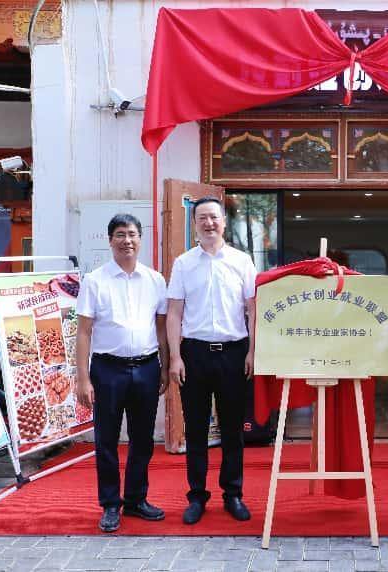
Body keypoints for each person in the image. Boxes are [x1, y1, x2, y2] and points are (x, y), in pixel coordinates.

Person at [75, 214, 169, 533]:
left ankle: (136, 500)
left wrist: (165, 366)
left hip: (147, 367)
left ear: (140, 239)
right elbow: (84, 332)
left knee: (142, 439)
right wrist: (83, 378)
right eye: (120, 234)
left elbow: (161, 327)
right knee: (106, 440)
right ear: (110, 240)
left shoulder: (155, 280)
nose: (126, 240)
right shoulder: (95, 280)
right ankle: (110, 504)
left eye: (131, 234)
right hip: (107, 370)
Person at [166, 196, 257, 524]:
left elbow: (253, 309)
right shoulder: (183, 264)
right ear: (195, 223)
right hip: (195, 354)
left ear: (224, 222)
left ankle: (233, 494)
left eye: (214, 217)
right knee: (196, 429)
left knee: (233, 429)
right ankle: (197, 496)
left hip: (234, 353)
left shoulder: (242, 261)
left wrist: (252, 351)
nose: (209, 223)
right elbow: (174, 313)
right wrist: (175, 356)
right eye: (202, 217)